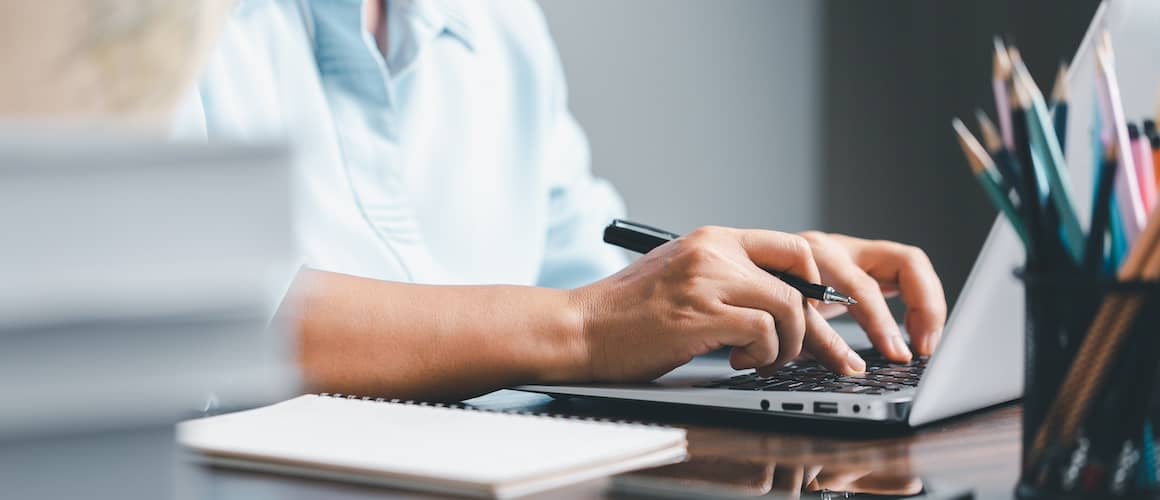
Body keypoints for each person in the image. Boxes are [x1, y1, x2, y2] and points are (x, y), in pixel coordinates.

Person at [173, 0, 946, 401]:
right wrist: (583, 327)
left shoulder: (499, 24)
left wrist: (756, 287)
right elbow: (192, 322)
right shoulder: (129, 31)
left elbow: (586, 256)